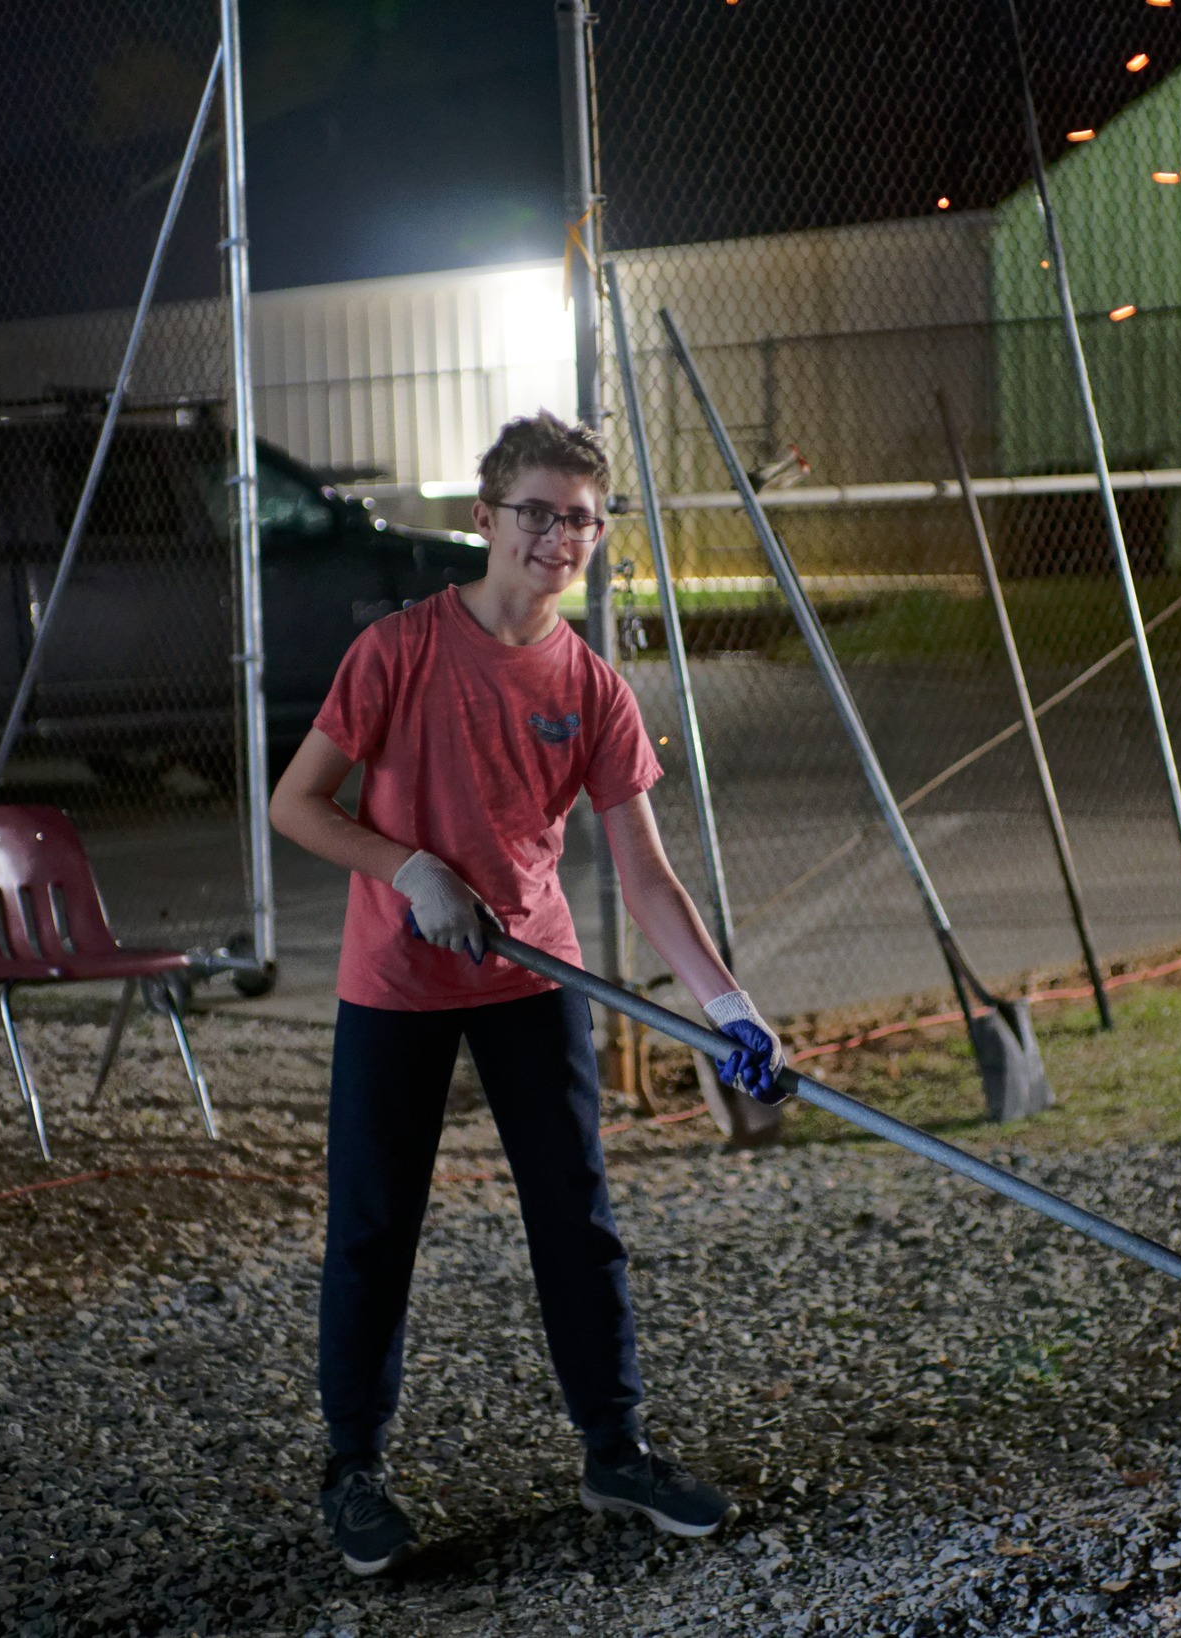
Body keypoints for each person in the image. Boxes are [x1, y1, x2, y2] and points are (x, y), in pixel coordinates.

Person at [269, 410, 786, 1577]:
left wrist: (728, 1006)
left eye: (584, 521)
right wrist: (405, 867)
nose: (560, 537)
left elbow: (644, 874)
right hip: (397, 981)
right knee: (372, 1228)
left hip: (526, 973)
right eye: (537, 513)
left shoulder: (591, 688)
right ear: (483, 520)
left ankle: (615, 1448)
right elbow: (295, 805)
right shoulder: (399, 651)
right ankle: (352, 1468)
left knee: (576, 1219)